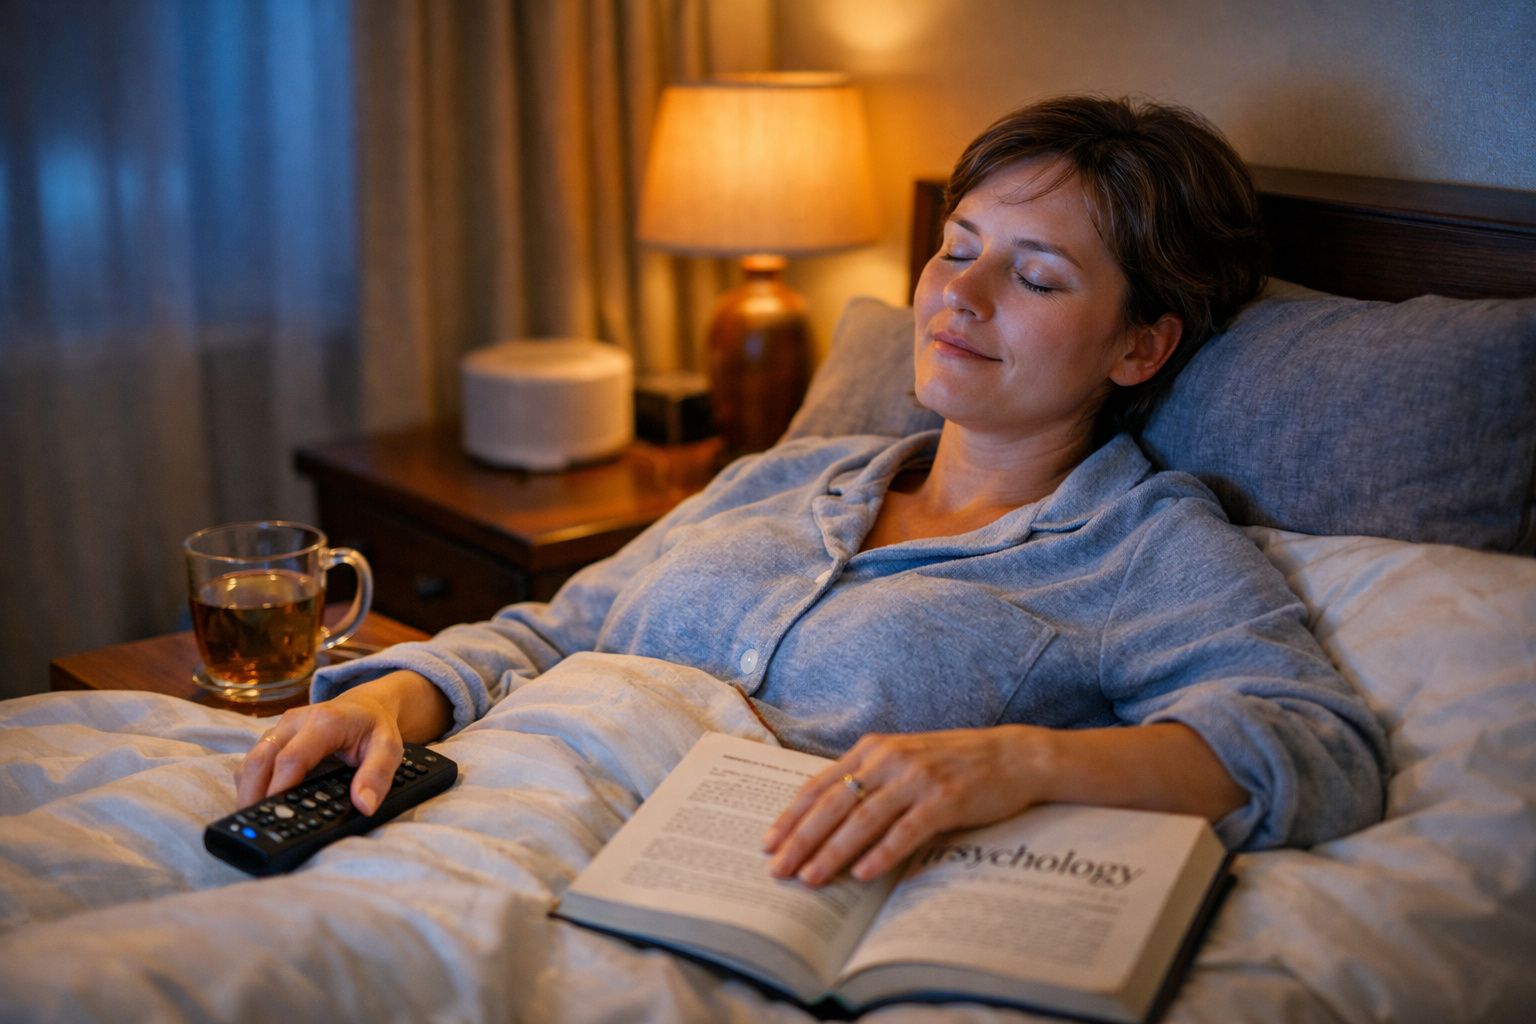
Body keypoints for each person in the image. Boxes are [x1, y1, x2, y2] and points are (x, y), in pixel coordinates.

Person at [238, 95, 1387, 891]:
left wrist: (1021, 759)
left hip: (684, 900)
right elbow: (547, 632)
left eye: (1034, 275)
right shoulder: (788, 472)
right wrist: (390, 701)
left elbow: (1313, 748)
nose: (960, 295)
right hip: (461, 810)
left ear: (1140, 349)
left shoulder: (1139, 546)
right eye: (957, 247)